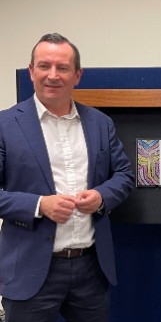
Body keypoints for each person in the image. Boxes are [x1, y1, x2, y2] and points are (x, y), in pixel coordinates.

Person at [0, 33, 134, 321]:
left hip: (91, 270)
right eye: (44, 66)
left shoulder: (100, 123)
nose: (53, 75)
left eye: (62, 68)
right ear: (31, 71)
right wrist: (39, 205)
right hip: (29, 271)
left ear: (77, 75)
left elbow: (124, 175)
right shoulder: (4, 125)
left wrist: (101, 197)